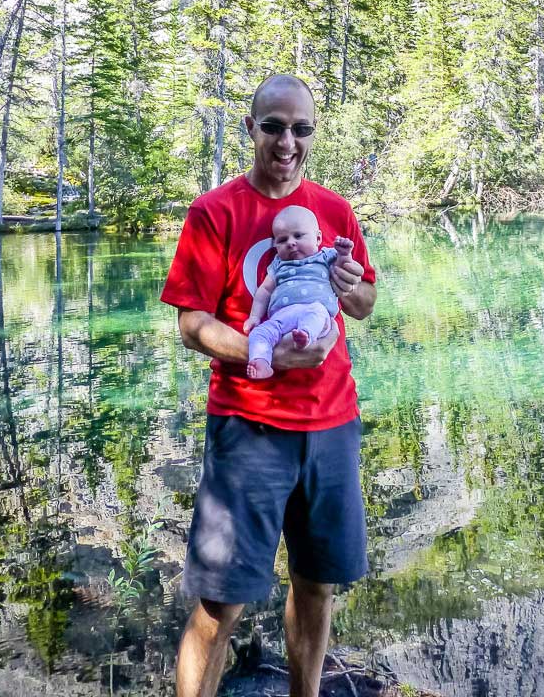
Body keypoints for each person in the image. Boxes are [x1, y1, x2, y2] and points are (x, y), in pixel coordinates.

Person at [160, 74, 377, 697]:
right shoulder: (215, 212)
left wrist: (346, 284)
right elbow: (193, 324)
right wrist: (269, 355)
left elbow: (363, 302)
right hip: (248, 429)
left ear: (312, 134)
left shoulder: (332, 212)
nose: (287, 141)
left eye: (301, 128)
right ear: (251, 128)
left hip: (332, 424)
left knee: (315, 585)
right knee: (220, 603)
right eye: (274, 126)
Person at [244, 204, 354, 380]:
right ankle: (262, 363)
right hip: (282, 317)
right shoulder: (278, 264)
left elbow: (343, 269)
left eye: (298, 236)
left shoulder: (324, 256)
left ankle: (305, 335)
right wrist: (255, 317)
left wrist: (344, 254)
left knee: (316, 313)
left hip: (316, 312)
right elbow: (264, 290)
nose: (291, 243)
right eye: (282, 240)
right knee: (260, 333)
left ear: (318, 239)